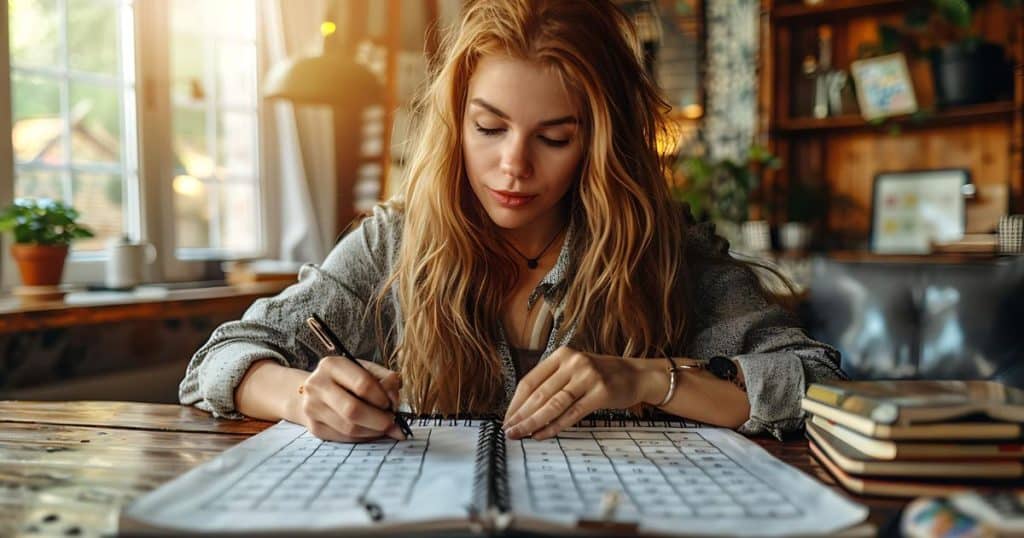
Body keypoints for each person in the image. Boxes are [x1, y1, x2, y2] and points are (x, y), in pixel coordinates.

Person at [179, 0, 846, 443]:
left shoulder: (667, 249)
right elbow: (219, 360)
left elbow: (819, 385)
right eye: (489, 128)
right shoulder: (395, 241)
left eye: (553, 137)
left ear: (598, 142)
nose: (513, 166)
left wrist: (646, 378)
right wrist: (303, 396)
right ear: (456, 125)